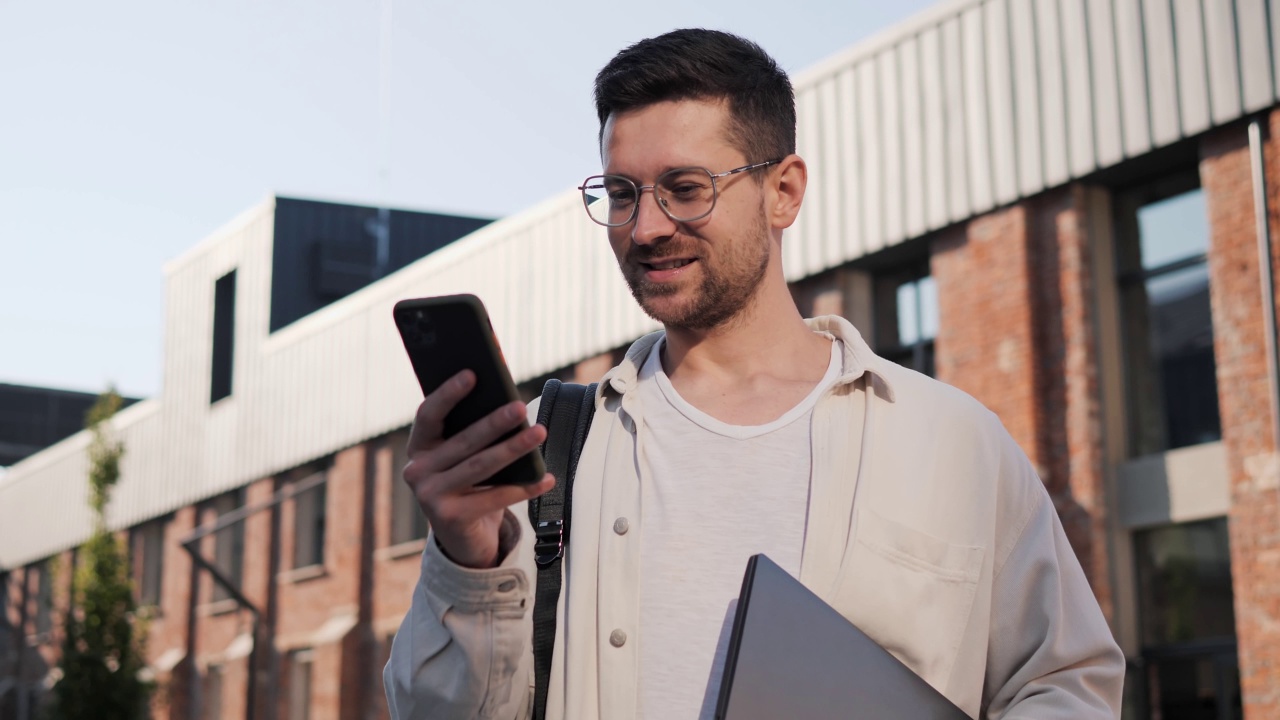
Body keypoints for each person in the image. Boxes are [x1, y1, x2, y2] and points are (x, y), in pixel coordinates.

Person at [384, 28, 1124, 720]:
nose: (645, 228)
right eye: (621, 194)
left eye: (685, 186)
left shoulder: (954, 442)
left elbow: (1066, 684)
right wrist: (469, 562)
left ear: (785, 192)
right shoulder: (552, 458)